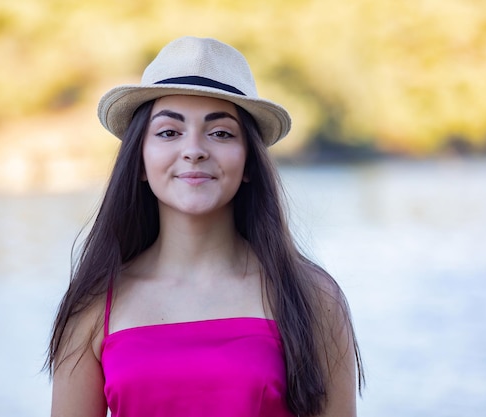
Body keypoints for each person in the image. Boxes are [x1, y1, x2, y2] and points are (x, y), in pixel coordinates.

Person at [46, 36, 364, 417]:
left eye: (220, 133)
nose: (194, 149)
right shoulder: (93, 304)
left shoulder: (312, 297)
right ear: (140, 160)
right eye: (169, 132)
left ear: (248, 162)